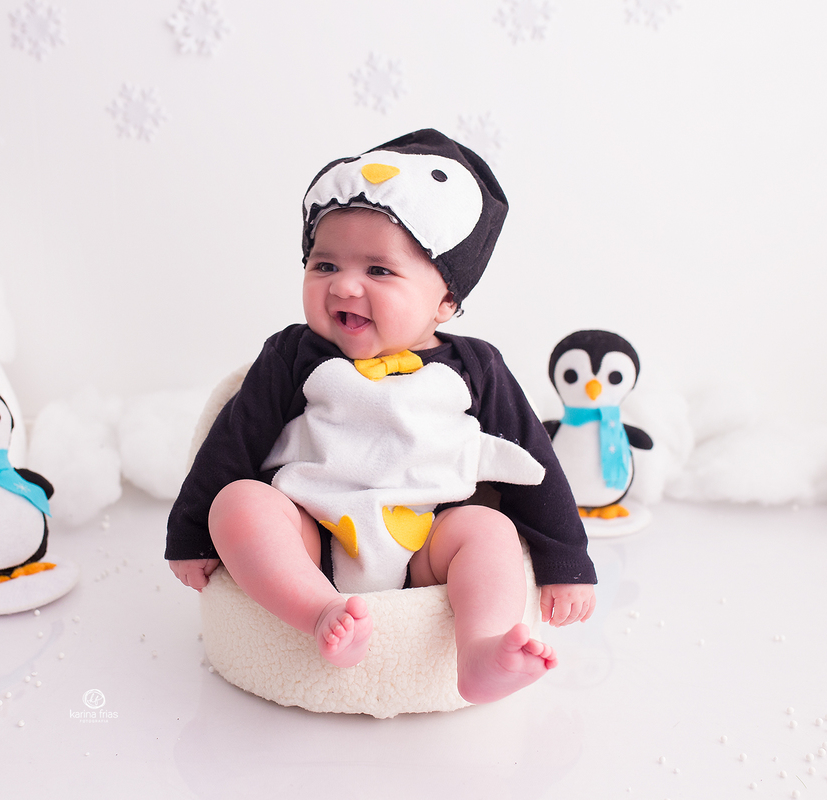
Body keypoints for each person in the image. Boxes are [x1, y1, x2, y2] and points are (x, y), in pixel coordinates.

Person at [167, 129, 596, 704]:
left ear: (446, 299)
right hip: (310, 535)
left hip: (425, 541)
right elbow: (233, 440)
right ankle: (320, 614)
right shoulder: (293, 355)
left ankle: (480, 651)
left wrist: (566, 559)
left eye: (379, 271)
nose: (344, 285)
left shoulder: (475, 367)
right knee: (239, 503)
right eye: (324, 265)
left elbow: (536, 464)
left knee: (489, 530)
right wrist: (193, 531)